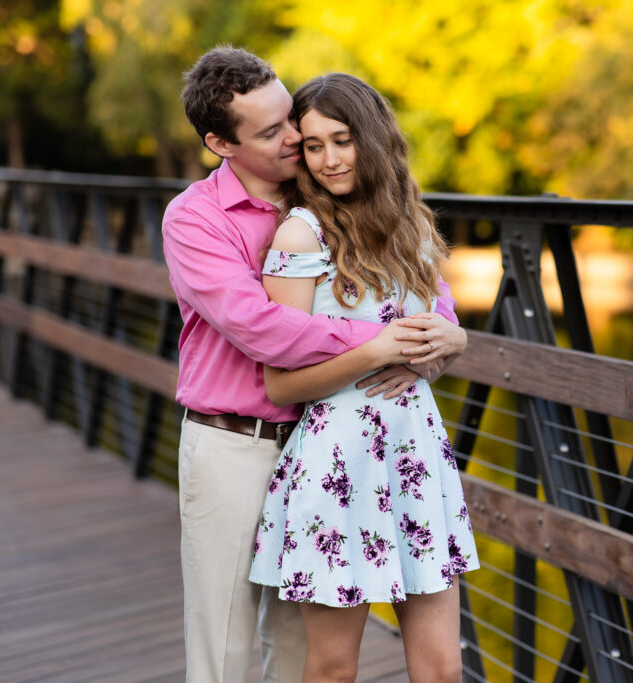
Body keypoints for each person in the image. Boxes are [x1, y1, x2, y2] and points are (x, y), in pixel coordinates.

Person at [162, 47, 464, 682]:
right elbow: (264, 330)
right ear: (221, 143)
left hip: (324, 440)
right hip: (235, 443)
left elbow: (420, 284)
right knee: (224, 651)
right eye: (272, 132)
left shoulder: (323, 185)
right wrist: (383, 344)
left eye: (288, 117)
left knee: (300, 654)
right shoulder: (196, 219)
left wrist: (448, 336)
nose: (296, 139)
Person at [247, 72, 479, 683]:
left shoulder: (412, 227)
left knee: (442, 670)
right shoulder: (302, 234)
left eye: (342, 140)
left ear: (372, 139)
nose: (328, 160)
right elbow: (280, 384)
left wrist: (455, 341)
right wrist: (376, 351)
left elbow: (440, 333)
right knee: (332, 671)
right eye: (314, 145)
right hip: (337, 464)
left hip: (415, 457)